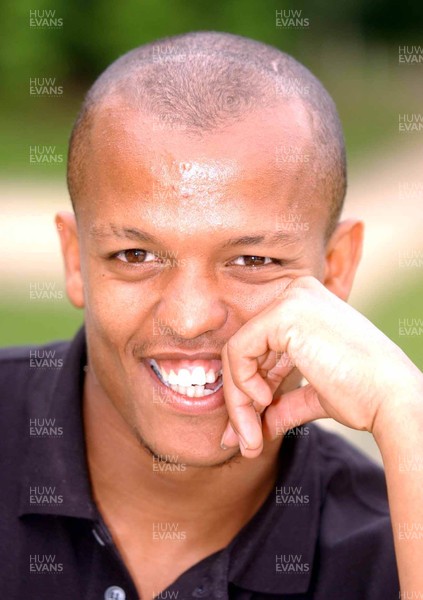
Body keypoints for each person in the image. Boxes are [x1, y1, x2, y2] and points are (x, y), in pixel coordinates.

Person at [1, 31, 422, 600]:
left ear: (337, 268)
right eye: (136, 255)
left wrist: (405, 407)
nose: (192, 317)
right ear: (75, 259)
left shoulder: (395, 547)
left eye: (253, 260)